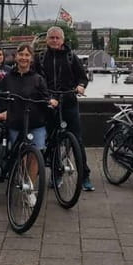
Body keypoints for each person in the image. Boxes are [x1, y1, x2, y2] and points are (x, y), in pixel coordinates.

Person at [0, 44, 58, 207]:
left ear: (31, 58)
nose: (23, 58)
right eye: (21, 54)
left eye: (27, 55)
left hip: (35, 122)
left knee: (35, 156)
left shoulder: (38, 79)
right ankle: (21, 179)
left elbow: (45, 97)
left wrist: (50, 101)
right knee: (20, 156)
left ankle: (29, 189)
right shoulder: (8, 78)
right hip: (16, 122)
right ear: (16, 57)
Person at [34, 26, 93, 191]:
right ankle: (56, 173)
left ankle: (84, 176)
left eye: (57, 38)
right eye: (51, 38)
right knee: (52, 140)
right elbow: (35, 79)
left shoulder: (71, 57)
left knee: (77, 140)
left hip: (68, 101)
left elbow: (82, 77)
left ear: (62, 40)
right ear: (47, 40)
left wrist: (81, 86)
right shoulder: (40, 58)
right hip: (49, 103)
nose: (54, 40)